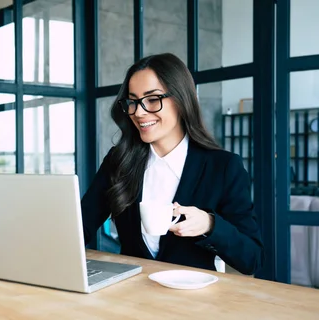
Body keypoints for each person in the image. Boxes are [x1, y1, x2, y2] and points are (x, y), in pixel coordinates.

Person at [81, 53, 263, 275]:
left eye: (152, 99)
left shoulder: (222, 167)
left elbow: (252, 258)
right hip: (131, 298)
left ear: (181, 100)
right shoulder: (119, 161)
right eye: (133, 101)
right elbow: (80, 227)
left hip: (193, 302)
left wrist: (210, 225)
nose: (138, 112)